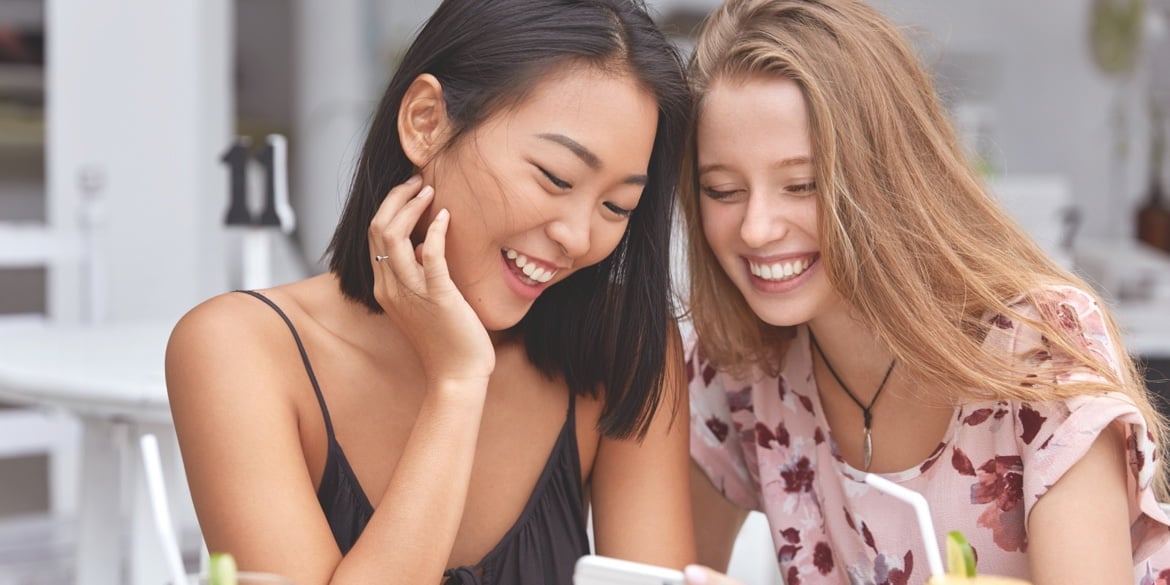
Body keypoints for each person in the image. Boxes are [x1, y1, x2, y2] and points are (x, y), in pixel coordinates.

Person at [165, 1, 695, 583]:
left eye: (617, 206)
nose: (576, 237)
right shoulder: (240, 350)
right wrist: (457, 385)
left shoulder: (619, 348)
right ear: (426, 121)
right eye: (556, 178)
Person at [677, 1, 1170, 584]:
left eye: (802, 184)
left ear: (888, 175)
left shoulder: (1040, 346)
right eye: (724, 190)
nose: (757, 228)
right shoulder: (736, 370)